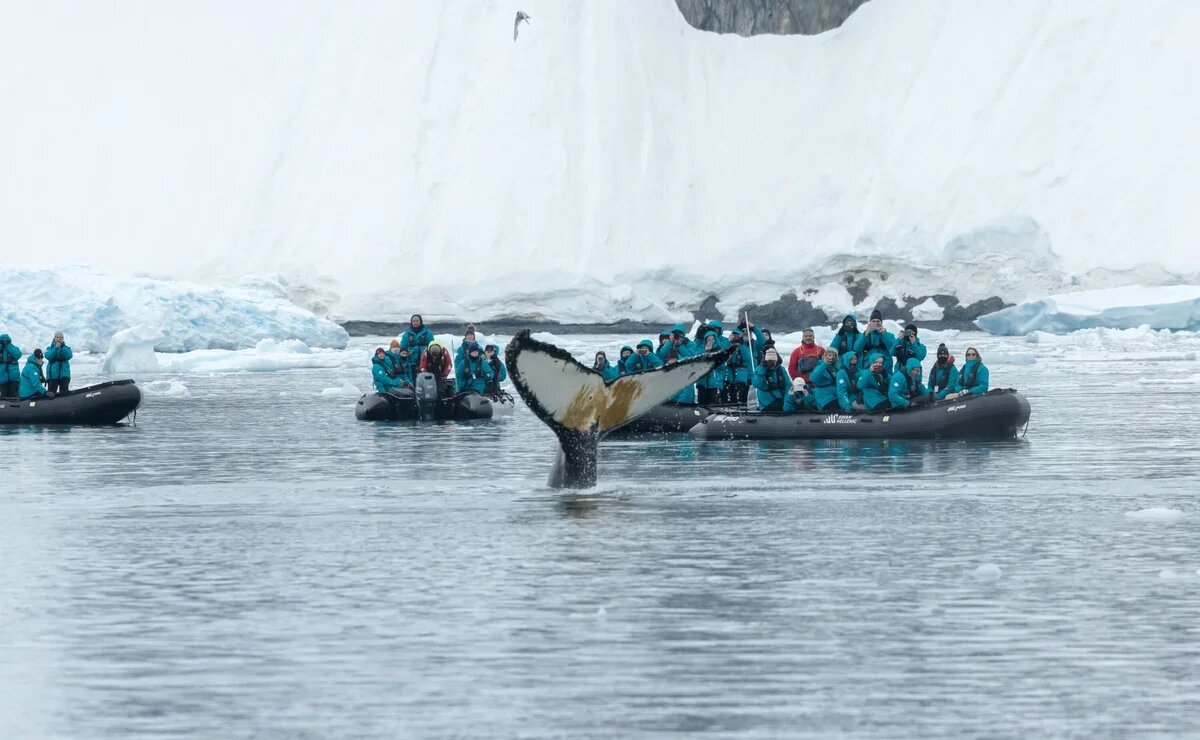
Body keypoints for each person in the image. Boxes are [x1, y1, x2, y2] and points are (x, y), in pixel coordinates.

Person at [854, 309, 897, 375]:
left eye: (878, 321)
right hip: (868, 368)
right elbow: (857, 348)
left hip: (885, 369)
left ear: (881, 323)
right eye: (873, 321)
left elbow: (894, 351)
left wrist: (884, 334)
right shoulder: (865, 335)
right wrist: (866, 334)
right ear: (870, 322)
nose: (875, 323)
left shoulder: (889, 335)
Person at [695, 331, 725, 404]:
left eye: (712, 339)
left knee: (714, 403)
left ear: (715, 340)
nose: (711, 341)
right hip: (702, 382)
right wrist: (705, 351)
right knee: (701, 403)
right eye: (709, 339)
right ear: (705, 340)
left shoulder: (719, 350)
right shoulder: (700, 350)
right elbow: (695, 361)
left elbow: (722, 365)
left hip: (715, 382)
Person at [724, 329, 753, 404]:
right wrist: (729, 342)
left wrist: (741, 345)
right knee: (729, 398)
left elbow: (747, 358)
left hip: (740, 377)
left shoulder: (743, 348)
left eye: (738, 336)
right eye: (734, 336)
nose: (736, 338)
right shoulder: (729, 346)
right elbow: (724, 353)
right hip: (730, 377)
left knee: (739, 397)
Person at [44, 331, 73, 395]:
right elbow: (48, 356)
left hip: (64, 375)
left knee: (64, 394)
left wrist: (62, 347)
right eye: (57, 337)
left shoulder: (67, 348)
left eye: (60, 337)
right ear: (54, 338)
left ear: (63, 339)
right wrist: (56, 348)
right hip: (52, 376)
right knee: (51, 394)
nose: (59, 339)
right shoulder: (49, 348)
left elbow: (69, 356)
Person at [0, 333, 21, 398]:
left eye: (6, 341)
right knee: (4, 399)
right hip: (3, 378)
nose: (4, 342)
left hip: (14, 378)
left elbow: (18, 355)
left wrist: (8, 345)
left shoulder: (14, 348)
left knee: (14, 397)